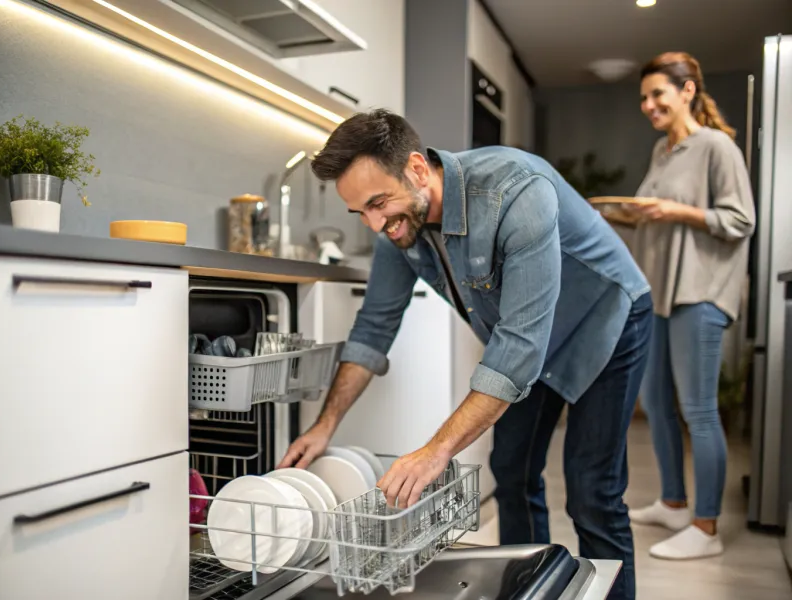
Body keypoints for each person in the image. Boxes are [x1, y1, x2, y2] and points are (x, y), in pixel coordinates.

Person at [278, 109, 651, 600]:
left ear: (415, 169)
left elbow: (518, 349)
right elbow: (373, 329)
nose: (373, 224)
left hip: (608, 320)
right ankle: (529, 591)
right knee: (513, 474)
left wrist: (437, 451)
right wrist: (324, 425)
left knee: (592, 493)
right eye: (359, 213)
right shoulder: (399, 225)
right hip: (531, 335)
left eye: (377, 202)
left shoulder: (517, 191)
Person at [625, 52, 756, 560]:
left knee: (699, 410)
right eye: (643, 97)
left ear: (687, 91)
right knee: (655, 403)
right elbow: (654, 215)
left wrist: (676, 210)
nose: (649, 104)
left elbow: (740, 220)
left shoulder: (716, 146)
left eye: (658, 93)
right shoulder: (663, 151)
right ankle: (674, 503)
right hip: (658, 296)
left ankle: (706, 527)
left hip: (700, 294)